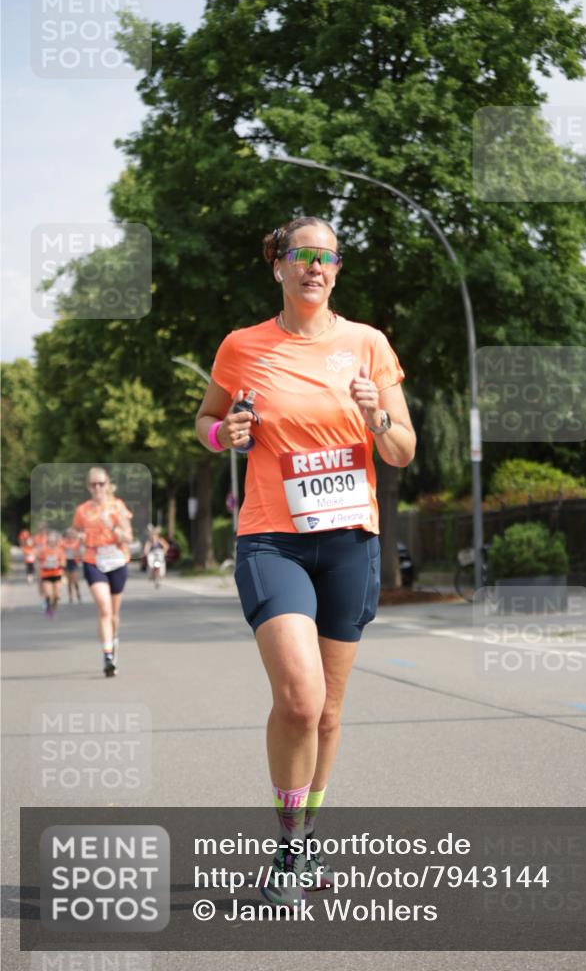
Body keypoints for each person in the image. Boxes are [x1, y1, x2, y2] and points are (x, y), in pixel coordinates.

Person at [195, 216, 416, 905]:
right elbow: (205, 423)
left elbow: (403, 451)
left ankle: (297, 845)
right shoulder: (243, 346)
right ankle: (287, 845)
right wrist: (220, 431)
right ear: (278, 267)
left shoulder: (368, 345)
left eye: (327, 257)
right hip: (272, 537)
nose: (315, 267)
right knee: (299, 698)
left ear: (336, 270)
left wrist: (376, 414)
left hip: (350, 539)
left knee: (327, 713)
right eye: (301, 256)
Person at [72, 467, 133, 677]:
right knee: (104, 609)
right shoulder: (82, 510)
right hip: (93, 560)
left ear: (107, 484)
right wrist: (78, 537)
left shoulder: (118, 506)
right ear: (88, 487)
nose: (98, 487)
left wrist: (113, 527)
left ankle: (114, 639)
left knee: (114, 613)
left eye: (101, 483)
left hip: (117, 560)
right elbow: (76, 531)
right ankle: (108, 655)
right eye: (93, 484)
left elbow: (128, 538)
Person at [37, 530, 66, 618]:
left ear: (56, 541)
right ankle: (49, 609)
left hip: (57, 574)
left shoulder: (60, 550)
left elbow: (64, 563)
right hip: (46, 575)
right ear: (48, 540)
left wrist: (58, 564)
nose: (52, 541)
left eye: (53, 540)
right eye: (50, 540)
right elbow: (39, 563)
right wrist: (43, 566)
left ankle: (52, 609)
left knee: (56, 596)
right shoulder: (43, 550)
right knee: (49, 594)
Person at [62, 528, 83, 603]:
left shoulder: (76, 542)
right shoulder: (63, 542)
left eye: (71, 533)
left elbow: (80, 549)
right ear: (66, 535)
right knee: (69, 581)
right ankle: (70, 596)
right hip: (66, 562)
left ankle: (78, 593)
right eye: (68, 534)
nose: (69, 535)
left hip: (74, 562)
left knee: (75, 580)